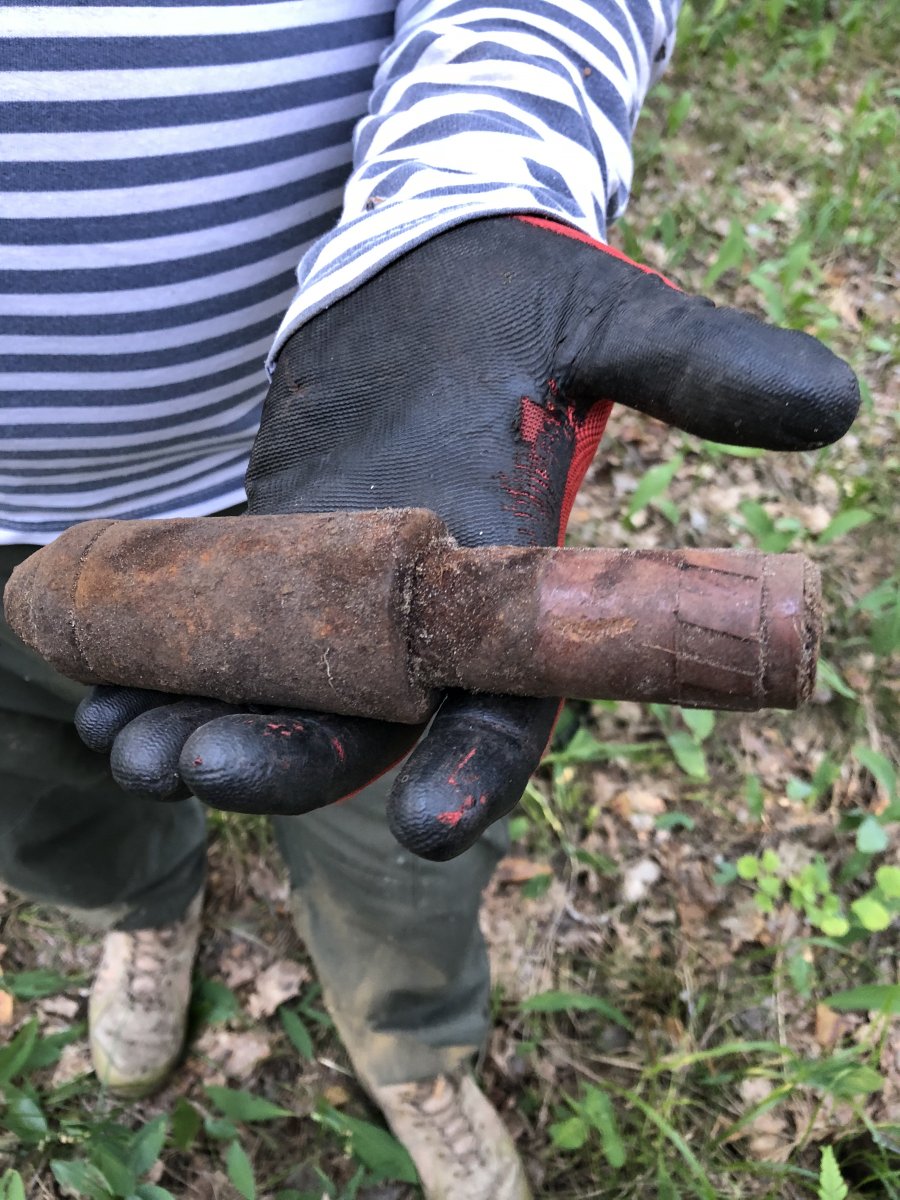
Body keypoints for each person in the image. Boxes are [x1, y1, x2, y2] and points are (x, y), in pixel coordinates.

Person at [0, 3, 858, 1197]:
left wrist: (472, 196)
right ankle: (143, 911)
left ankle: (411, 1045)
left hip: (351, 436)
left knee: (402, 839)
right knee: (52, 788)